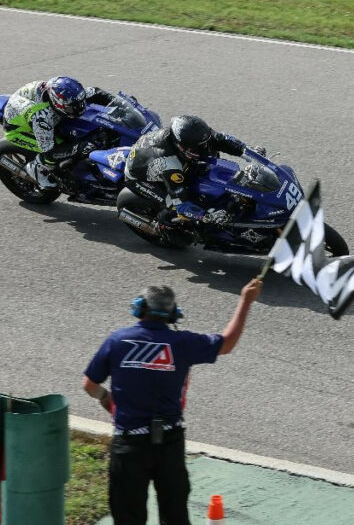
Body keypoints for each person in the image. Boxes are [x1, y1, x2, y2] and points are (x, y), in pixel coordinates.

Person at [82, 278, 263, 525]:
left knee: (128, 517)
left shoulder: (117, 340)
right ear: (174, 314)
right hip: (169, 444)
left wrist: (107, 400)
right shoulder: (183, 343)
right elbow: (227, 342)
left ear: (138, 308)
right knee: (175, 514)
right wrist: (245, 301)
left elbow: (89, 384)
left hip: (129, 445)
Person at [123, 114, 261, 226]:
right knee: (173, 205)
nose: (204, 148)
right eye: (197, 148)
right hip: (142, 179)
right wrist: (207, 217)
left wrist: (248, 151)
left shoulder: (194, 136)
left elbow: (221, 139)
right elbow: (182, 206)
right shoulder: (169, 163)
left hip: (164, 161)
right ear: (180, 146)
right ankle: (164, 224)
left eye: (204, 143)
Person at [2, 76, 115, 188]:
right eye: (73, 108)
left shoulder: (68, 96)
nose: (80, 109)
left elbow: (95, 92)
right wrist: (78, 147)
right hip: (20, 128)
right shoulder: (42, 118)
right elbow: (50, 152)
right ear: (58, 105)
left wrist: (118, 103)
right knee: (51, 159)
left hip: (31, 103)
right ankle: (36, 168)